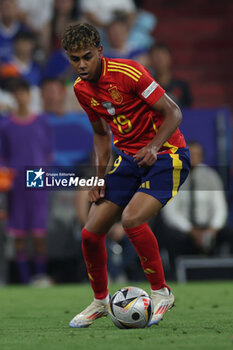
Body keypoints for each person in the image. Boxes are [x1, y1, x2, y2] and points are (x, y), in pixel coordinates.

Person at [61, 23, 190, 328]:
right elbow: (101, 135)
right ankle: (99, 301)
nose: (81, 64)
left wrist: (153, 146)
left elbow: (173, 112)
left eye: (87, 57)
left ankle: (161, 293)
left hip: (167, 155)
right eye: (75, 58)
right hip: (128, 159)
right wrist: (98, 176)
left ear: (100, 52)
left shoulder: (129, 72)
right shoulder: (81, 89)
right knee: (90, 233)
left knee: (132, 220)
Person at [0, 78, 52, 284]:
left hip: (37, 179)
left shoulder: (42, 121)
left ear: (30, 96)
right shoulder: (5, 125)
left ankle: (40, 278)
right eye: (17, 93)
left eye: (24, 93)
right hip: (15, 181)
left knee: (39, 233)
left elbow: (48, 153)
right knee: (19, 234)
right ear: (13, 97)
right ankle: (24, 280)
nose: (20, 97)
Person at [161, 141, 233, 277]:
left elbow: (220, 206)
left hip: (209, 228)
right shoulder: (173, 176)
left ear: (202, 157)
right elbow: (170, 212)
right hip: (185, 231)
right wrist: (191, 230)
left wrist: (212, 229)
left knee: (229, 234)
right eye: (190, 154)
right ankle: (174, 276)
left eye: (197, 154)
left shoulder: (211, 177)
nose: (193, 158)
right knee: (169, 236)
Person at [149, 43, 193, 108]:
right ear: (150, 60)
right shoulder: (148, 87)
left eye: (163, 54)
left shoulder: (182, 85)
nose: (159, 59)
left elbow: (190, 110)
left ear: (170, 58)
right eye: (156, 56)